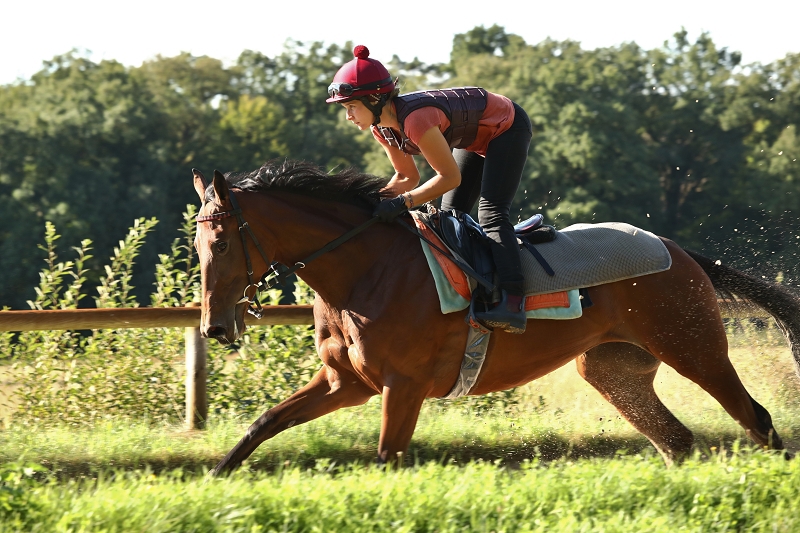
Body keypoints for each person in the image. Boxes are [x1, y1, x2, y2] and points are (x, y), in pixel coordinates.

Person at [326, 45, 533, 334]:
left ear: (374, 99)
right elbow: (406, 177)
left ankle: (512, 301)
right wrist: (373, 203)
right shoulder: (381, 128)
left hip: (506, 127)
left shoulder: (415, 119)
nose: (348, 115)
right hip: (473, 136)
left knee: (491, 213)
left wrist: (403, 203)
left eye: (351, 107)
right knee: (450, 216)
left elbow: (449, 178)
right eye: (345, 108)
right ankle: (475, 287)